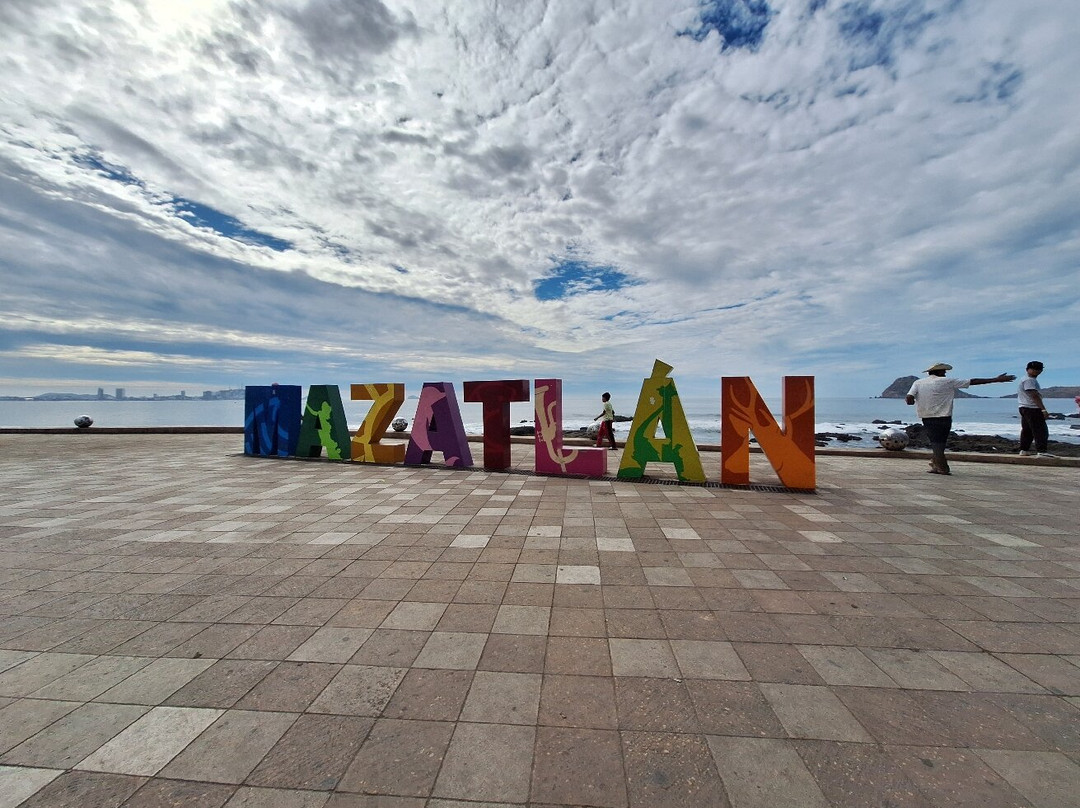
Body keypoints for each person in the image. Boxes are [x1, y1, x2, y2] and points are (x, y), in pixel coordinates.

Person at [906, 363, 1015, 475]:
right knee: (939, 442)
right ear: (939, 372)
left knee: (935, 440)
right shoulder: (948, 381)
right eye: (943, 371)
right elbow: (973, 381)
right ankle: (943, 467)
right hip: (944, 416)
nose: (945, 373)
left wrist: (913, 401)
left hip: (926, 416)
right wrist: (995, 380)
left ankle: (935, 465)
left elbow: (909, 397)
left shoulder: (918, 383)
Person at [1017, 360, 1054, 457]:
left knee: (1027, 430)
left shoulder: (1026, 379)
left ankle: (1024, 450)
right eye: (1033, 369)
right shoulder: (1029, 380)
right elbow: (1034, 396)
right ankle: (1042, 451)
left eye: (1039, 369)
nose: (1036, 371)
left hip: (1024, 407)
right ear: (1027, 369)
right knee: (1040, 430)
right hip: (1031, 408)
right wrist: (1043, 409)